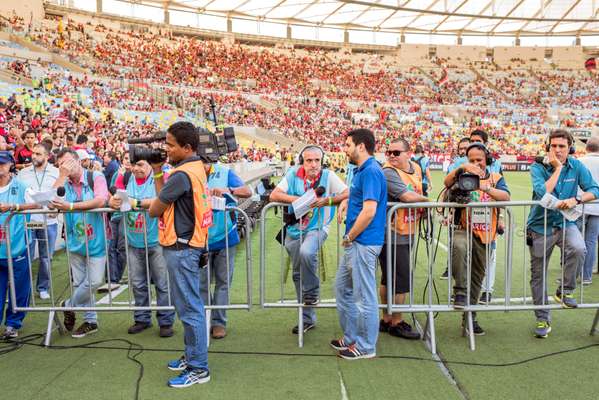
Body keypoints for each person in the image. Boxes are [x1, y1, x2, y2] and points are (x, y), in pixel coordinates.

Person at [148, 122, 212, 388]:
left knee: (189, 309)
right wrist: (156, 171)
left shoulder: (181, 174)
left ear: (187, 148)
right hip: (189, 244)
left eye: (171, 145)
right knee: (188, 306)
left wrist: (158, 176)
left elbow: (154, 208)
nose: (166, 149)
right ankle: (192, 356)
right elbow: (164, 199)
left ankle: (198, 368)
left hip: (182, 247)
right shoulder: (195, 168)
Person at [527, 129, 599, 338]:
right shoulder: (537, 167)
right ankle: (542, 319)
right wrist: (557, 168)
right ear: (547, 147)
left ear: (570, 149)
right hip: (540, 227)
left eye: (562, 147)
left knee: (579, 249)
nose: (557, 150)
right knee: (538, 274)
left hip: (566, 223)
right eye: (554, 146)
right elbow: (544, 193)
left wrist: (577, 200)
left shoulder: (577, 165)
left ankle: (565, 291)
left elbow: (595, 189)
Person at [270, 145, 348, 334]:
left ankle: (312, 294)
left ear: (322, 162)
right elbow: (274, 195)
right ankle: (307, 319)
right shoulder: (293, 174)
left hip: (318, 227)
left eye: (317, 161)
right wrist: (298, 199)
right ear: (302, 162)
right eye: (309, 160)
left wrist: (330, 201)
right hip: (294, 229)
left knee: (307, 252)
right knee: (298, 274)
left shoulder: (328, 175)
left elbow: (348, 192)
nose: (313, 165)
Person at [331, 129, 387, 360]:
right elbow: (356, 199)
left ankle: (365, 346)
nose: (345, 149)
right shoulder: (361, 170)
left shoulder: (371, 171)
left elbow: (370, 210)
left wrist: (350, 236)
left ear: (361, 146)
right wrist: (345, 202)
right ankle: (352, 336)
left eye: (347, 145)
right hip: (356, 242)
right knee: (342, 288)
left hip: (363, 242)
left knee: (364, 296)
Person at [444, 143, 510, 335]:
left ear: (487, 160)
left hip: (486, 234)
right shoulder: (462, 174)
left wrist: (485, 187)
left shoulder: (496, 178)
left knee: (477, 277)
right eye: (471, 160)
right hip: (464, 228)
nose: (475, 163)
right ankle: (460, 292)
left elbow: (505, 197)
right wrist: (461, 169)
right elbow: (447, 185)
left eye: (479, 160)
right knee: (458, 247)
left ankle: (470, 316)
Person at [108, 159, 175, 337]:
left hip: (157, 241)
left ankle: (166, 321)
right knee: (138, 283)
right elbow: (113, 197)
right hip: (133, 241)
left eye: (141, 164)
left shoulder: (162, 177)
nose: (137, 168)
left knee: (163, 283)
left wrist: (135, 202)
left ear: (150, 166)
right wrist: (111, 202)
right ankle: (142, 319)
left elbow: (163, 199)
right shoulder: (124, 177)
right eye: (134, 164)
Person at [50, 148, 109, 338]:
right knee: (80, 282)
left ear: (78, 161)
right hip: (75, 239)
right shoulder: (63, 182)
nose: (65, 167)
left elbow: (100, 200)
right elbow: (51, 202)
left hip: (97, 239)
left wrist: (71, 207)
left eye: (68, 162)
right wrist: (61, 176)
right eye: (61, 164)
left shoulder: (95, 177)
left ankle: (68, 306)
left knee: (94, 281)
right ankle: (90, 320)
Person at [378, 138, 428, 340]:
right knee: (399, 278)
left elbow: (417, 191)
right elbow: (407, 197)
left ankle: (387, 318)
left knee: (390, 277)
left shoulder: (415, 167)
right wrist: (429, 203)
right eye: (388, 152)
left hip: (407, 228)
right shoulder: (388, 171)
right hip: (392, 232)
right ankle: (395, 321)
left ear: (409, 153)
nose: (391, 156)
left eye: (396, 152)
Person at [201, 160, 251, 339]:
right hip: (200, 239)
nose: (203, 164)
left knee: (223, 283)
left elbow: (247, 191)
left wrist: (229, 190)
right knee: (202, 284)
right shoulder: (188, 172)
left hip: (225, 236)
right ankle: (205, 321)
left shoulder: (224, 171)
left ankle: (218, 323)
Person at [0, 151, 38, 339]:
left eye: (3, 163)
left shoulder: (21, 186)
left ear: (10, 165)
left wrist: (14, 207)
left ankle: (13, 324)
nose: (0, 167)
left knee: (19, 289)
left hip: (16, 248)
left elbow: (38, 204)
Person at [17, 142, 59, 300]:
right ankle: (24, 288)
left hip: (49, 221)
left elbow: (61, 194)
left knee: (46, 257)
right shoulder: (23, 173)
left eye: (38, 154)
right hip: (29, 220)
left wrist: (57, 210)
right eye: (33, 153)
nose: (34, 156)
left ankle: (43, 287)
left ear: (47, 156)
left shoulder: (56, 172)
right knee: (25, 255)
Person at [576, 137, 599, 286]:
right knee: (590, 242)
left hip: (580, 205)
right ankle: (586, 276)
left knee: (574, 242)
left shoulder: (579, 161)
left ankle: (572, 274)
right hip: (597, 207)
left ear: (586, 148)